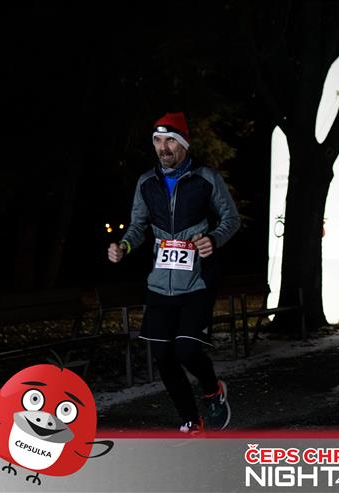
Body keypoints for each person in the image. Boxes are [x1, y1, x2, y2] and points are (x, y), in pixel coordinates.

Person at [108, 112, 240, 433]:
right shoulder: (146, 182)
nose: (163, 147)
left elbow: (231, 219)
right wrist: (124, 246)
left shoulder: (206, 178)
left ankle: (213, 391)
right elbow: (138, 226)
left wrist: (213, 239)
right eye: (157, 140)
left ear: (183, 144)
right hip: (159, 284)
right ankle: (190, 419)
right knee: (163, 355)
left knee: (187, 350)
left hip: (196, 282)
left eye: (170, 140)